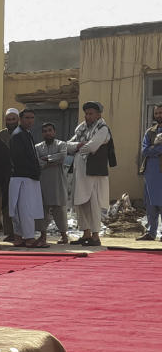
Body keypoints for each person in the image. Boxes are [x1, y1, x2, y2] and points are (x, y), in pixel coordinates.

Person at [66, 101, 115, 247]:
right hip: (80, 172)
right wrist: (78, 145)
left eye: (91, 113)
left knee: (93, 204)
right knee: (81, 204)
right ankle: (86, 234)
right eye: (86, 114)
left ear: (98, 114)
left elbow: (92, 146)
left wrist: (78, 147)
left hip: (93, 173)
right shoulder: (81, 129)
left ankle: (95, 236)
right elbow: (67, 145)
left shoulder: (102, 129)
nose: (87, 116)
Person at [8, 109, 44, 247]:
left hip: (27, 177)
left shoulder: (26, 134)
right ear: (20, 119)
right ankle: (28, 238)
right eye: (27, 117)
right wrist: (34, 171)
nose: (30, 120)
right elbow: (21, 159)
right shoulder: (18, 135)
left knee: (21, 209)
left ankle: (19, 237)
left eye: (32, 117)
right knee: (24, 209)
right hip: (22, 177)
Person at [35, 122, 70, 245]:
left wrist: (46, 159)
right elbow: (37, 162)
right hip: (43, 183)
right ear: (42, 133)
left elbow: (62, 157)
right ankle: (43, 236)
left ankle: (64, 236)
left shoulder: (62, 144)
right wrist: (51, 160)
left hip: (57, 183)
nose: (47, 133)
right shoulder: (38, 147)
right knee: (42, 210)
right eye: (45, 131)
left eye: (50, 130)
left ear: (54, 132)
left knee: (59, 209)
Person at [139, 104, 162, 241]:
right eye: (157, 113)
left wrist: (154, 148)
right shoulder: (150, 132)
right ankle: (151, 232)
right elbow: (145, 151)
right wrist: (158, 148)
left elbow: (150, 150)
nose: (159, 115)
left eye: (161, 112)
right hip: (150, 172)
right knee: (151, 204)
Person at [0, 107, 21, 240]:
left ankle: (20, 232)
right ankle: (10, 232)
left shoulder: (23, 133)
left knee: (19, 204)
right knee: (6, 204)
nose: (11, 121)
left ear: (17, 120)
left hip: (19, 173)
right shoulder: (1, 135)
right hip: (4, 174)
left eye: (13, 119)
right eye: (8, 119)